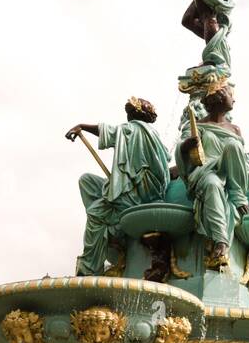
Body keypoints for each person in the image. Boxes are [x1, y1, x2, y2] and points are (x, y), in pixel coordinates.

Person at [65, 97, 171, 276]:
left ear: (134, 114)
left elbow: (108, 131)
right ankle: (112, 229)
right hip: (136, 188)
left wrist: (82, 126)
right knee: (88, 181)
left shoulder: (132, 129)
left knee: (95, 214)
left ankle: (90, 269)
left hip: (136, 193)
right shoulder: (151, 134)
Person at [174, 83, 249, 268]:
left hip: (233, 173)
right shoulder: (198, 125)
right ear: (219, 98)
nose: (234, 99)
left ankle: (237, 194)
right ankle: (221, 241)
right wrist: (188, 145)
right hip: (208, 172)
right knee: (211, 184)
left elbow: (244, 160)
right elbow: (181, 149)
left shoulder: (235, 130)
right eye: (231, 95)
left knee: (233, 146)